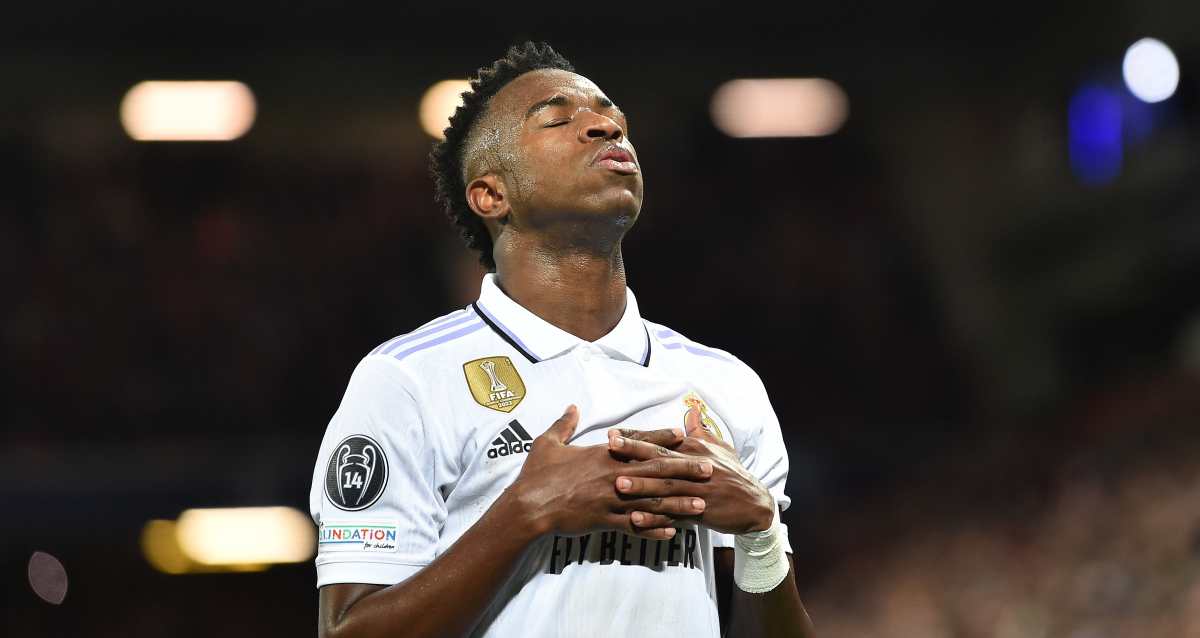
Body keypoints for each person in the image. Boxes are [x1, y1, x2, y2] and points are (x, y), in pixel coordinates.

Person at [310, 41, 815, 637]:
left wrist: (760, 531)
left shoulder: (726, 385)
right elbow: (347, 630)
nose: (606, 127)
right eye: (557, 120)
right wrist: (525, 513)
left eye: (613, 118)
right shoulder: (408, 381)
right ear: (491, 195)